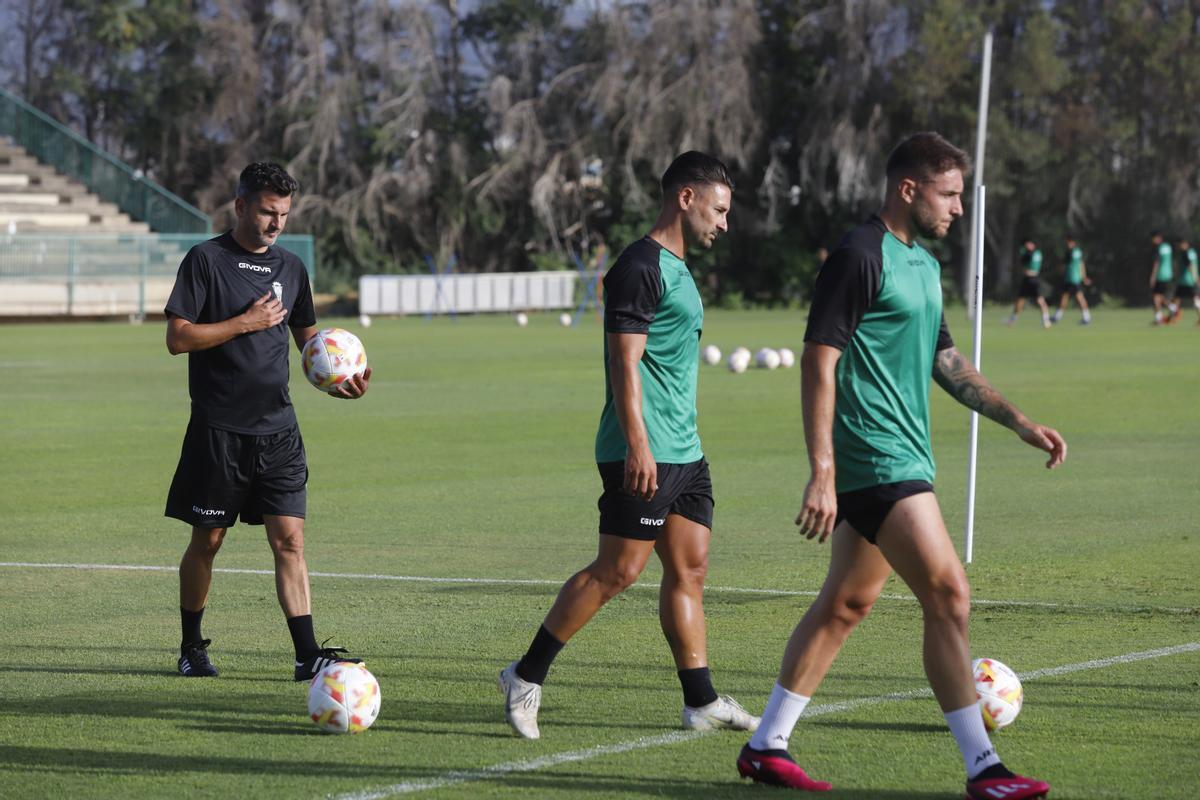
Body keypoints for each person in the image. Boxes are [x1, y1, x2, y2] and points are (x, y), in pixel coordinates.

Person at [735, 133, 1065, 800]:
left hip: (902, 457)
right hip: (875, 458)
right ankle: (984, 769)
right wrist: (822, 471)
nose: (959, 209)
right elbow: (817, 360)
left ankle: (767, 745)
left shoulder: (921, 268)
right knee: (949, 594)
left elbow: (945, 361)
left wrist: (1017, 420)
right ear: (908, 190)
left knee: (846, 604)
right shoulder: (859, 256)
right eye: (949, 195)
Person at [498, 151, 759, 740]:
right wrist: (639, 444)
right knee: (619, 570)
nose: (724, 223)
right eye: (718, 210)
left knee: (690, 570)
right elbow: (624, 361)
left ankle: (701, 700)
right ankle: (524, 675)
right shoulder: (640, 265)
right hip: (641, 449)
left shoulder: (680, 266)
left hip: (685, 452)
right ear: (685, 198)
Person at [164, 162, 371, 680]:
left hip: (278, 431)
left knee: (291, 541)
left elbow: (310, 344)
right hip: (219, 431)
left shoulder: (292, 267)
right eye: (266, 211)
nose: (276, 222)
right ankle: (191, 646)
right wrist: (243, 323)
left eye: (283, 214)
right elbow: (178, 338)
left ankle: (306, 656)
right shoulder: (205, 261)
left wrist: (340, 375)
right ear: (240, 206)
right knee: (207, 542)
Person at [1005, 238, 1051, 328]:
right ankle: (1013, 320)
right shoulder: (1038, 253)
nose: (1027, 246)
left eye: (1028, 244)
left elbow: (1022, 263)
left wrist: (1013, 268)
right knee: (1020, 300)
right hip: (1029, 279)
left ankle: (1046, 320)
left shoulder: (1029, 254)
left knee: (1039, 300)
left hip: (1032, 279)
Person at [1050, 235, 1091, 325]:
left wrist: (1057, 269)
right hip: (1074, 279)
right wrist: (1084, 277)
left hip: (1071, 279)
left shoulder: (1070, 252)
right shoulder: (1078, 252)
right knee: (1066, 298)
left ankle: (1086, 317)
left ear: (1071, 242)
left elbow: (1062, 265)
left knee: (1077, 298)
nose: (1067, 244)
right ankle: (1057, 317)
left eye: (1068, 242)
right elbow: (1081, 264)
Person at [1171, 237, 1198, 324]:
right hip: (1192, 280)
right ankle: (1174, 317)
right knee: (1194, 299)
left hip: (1186, 280)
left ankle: (1174, 317)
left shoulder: (1185, 253)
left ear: (1186, 244)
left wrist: (1194, 277)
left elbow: (1189, 265)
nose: (1180, 246)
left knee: (1176, 299)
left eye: (1181, 244)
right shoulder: (1193, 253)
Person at [1149, 231, 1174, 325]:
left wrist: (1152, 277)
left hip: (1160, 275)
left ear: (1158, 238)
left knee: (1156, 297)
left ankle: (1159, 318)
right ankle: (1173, 308)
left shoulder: (1158, 248)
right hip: (1168, 274)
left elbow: (1156, 263)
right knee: (1160, 296)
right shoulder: (1168, 247)